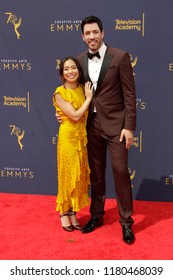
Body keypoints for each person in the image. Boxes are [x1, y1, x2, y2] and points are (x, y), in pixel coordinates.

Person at [57, 15, 136, 244]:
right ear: (83, 37)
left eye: (95, 32)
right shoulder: (79, 60)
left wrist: (129, 126)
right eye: (87, 33)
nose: (91, 36)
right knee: (96, 175)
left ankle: (126, 223)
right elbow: (72, 91)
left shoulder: (120, 57)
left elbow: (130, 95)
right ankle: (97, 215)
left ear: (103, 33)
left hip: (116, 127)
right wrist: (61, 111)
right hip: (90, 128)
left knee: (121, 172)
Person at [53, 56, 93, 232]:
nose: (71, 71)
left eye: (74, 68)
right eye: (67, 69)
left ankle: (73, 212)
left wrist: (87, 96)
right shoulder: (59, 93)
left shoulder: (82, 89)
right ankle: (64, 212)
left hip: (81, 138)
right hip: (68, 138)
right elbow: (75, 116)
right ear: (62, 73)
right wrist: (89, 99)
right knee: (68, 175)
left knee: (79, 176)